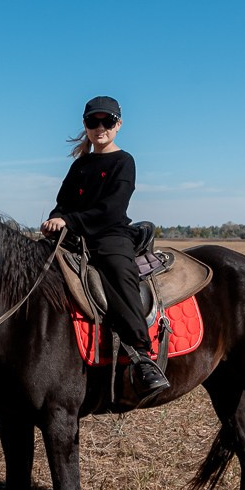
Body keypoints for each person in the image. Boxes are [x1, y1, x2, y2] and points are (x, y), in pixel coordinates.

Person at [40, 95, 169, 395]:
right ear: (85, 125)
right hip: (76, 236)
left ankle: (142, 355)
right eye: (93, 121)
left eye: (107, 121)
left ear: (118, 124)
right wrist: (54, 219)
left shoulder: (124, 162)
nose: (100, 128)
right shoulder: (80, 165)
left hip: (110, 235)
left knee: (117, 270)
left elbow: (111, 209)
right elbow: (63, 203)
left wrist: (69, 220)